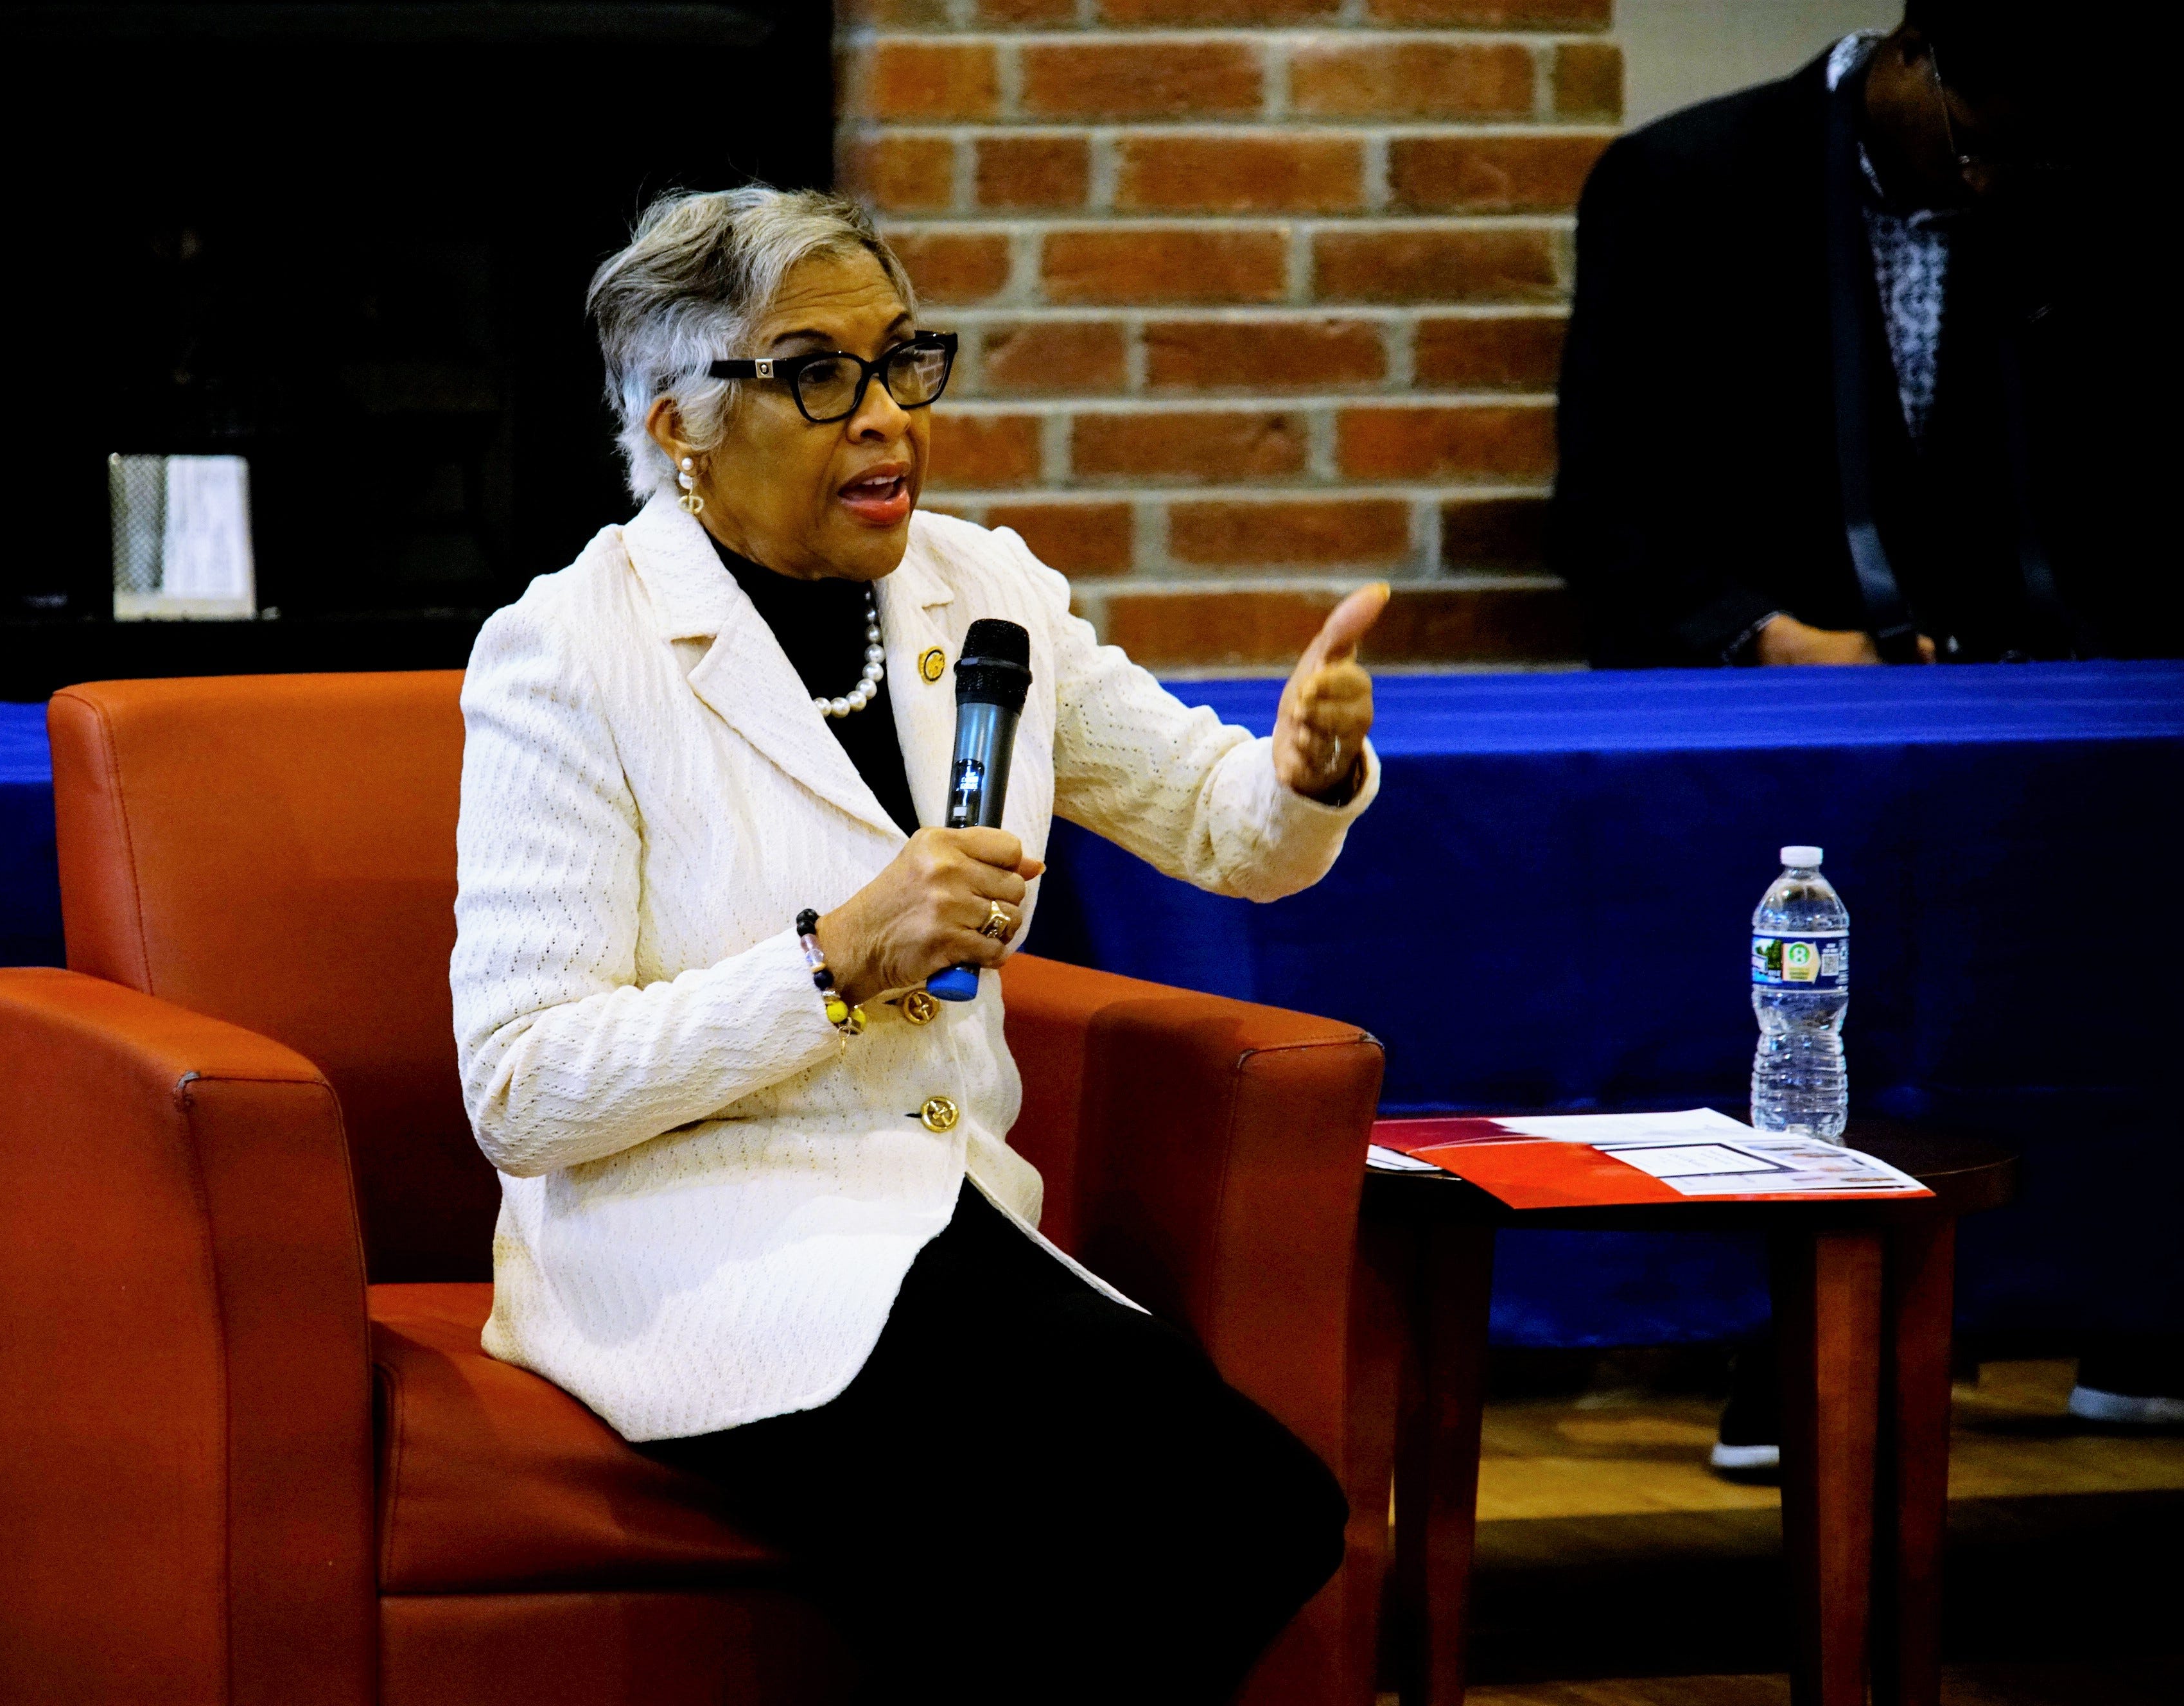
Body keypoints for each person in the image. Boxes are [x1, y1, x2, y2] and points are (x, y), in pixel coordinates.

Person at [450, 186, 1388, 1702]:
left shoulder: (982, 589)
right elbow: (522, 1087)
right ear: (681, 426)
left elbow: (1223, 826)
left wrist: (1304, 768)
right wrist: (832, 960)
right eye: (819, 374)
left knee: (1267, 1513)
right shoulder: (571, 651)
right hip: (701, 1248)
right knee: (1143, 1535)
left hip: (946, 1223)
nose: (887, 413)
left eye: (902, 360)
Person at [1549, 1, 2164, 668]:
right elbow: (1607, 496)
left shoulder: (2064, 193)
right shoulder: (1679, 182)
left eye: (2021, 159)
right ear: (1912, 54)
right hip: (1758, 696)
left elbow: (2109, 467)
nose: (1984, 181)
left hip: (2032, 693)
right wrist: (1771, 640)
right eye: (1969, 144)